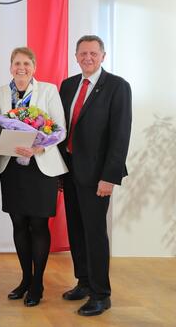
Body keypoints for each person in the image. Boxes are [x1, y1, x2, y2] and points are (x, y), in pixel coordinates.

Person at [58, 35, 132, 316]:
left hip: (98, 176)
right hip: (70, 171)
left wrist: (110, 177)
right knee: (76, 230)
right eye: (82, 53)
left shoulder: (117, 87)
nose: (87, 58)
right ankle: (84, 282)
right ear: (76, 56)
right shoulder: (68, 85)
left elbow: (120, 134)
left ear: (103, 55)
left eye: (93, 53)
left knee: (95, 233)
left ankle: (101, 294)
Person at [0, 47, 68, 307]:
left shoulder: (48, 90)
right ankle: (25, 279)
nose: (21, 67)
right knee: (18, 224)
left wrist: (38, 147)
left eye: (26, 63)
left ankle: (38, 283)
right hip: (12, 166)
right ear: (10, 66)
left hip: (41, 166)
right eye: (16, 63)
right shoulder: (1, 93)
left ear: (34, 67)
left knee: (38, 225)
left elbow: (60, 128)